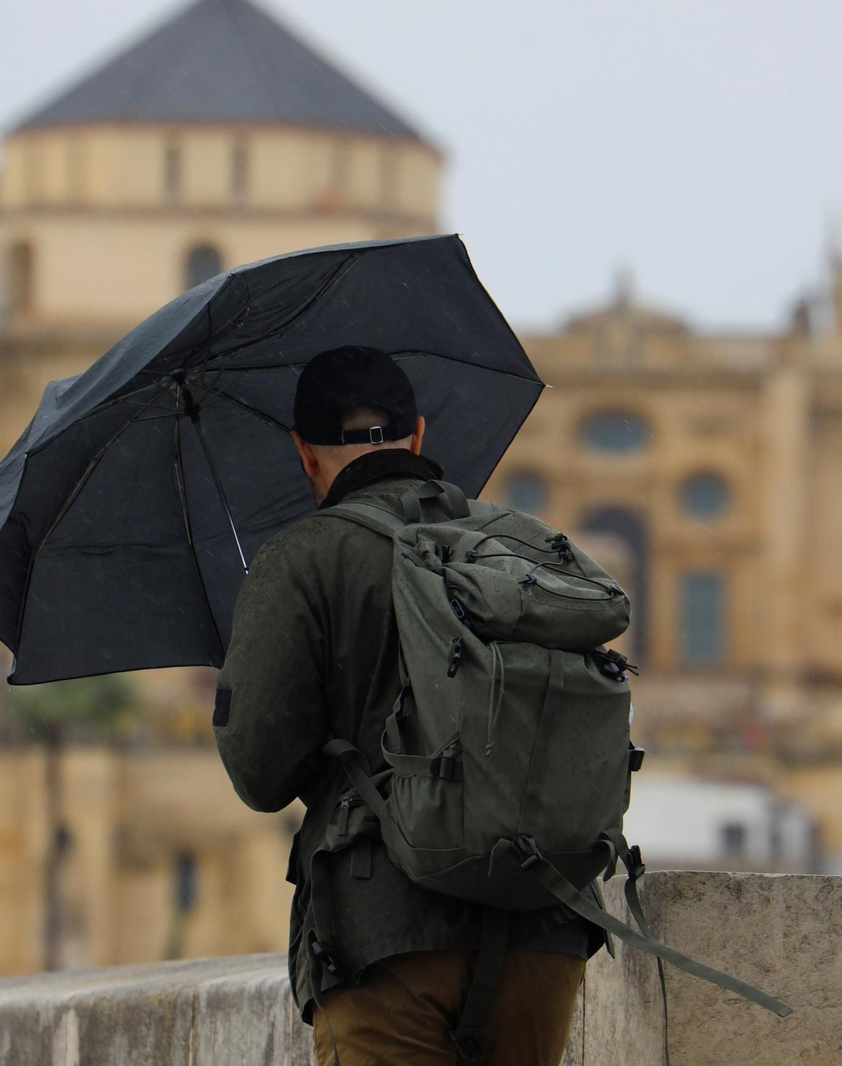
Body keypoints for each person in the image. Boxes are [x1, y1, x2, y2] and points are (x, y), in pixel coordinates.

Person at [214, 346, 602, 1065]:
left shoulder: (301, 559)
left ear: (304, 453)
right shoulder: (513, 543)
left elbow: (259, 773)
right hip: (543, 927)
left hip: (387, 937)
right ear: (418, 436)